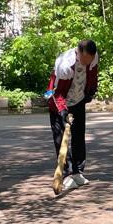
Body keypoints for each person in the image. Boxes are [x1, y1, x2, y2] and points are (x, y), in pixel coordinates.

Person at [46, 40, 99, 192]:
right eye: (84, 59)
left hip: (78, 99)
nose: (87, 62)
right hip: (58, 102)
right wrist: (62, 111)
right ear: (79, 52)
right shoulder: (65, 65)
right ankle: (68, 174)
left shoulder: (94, 57)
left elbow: (93, 75)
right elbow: (57, 93)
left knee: (79, 136)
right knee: (61, 139)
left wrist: (91, 91)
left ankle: (78, 172)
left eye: (90, 59)